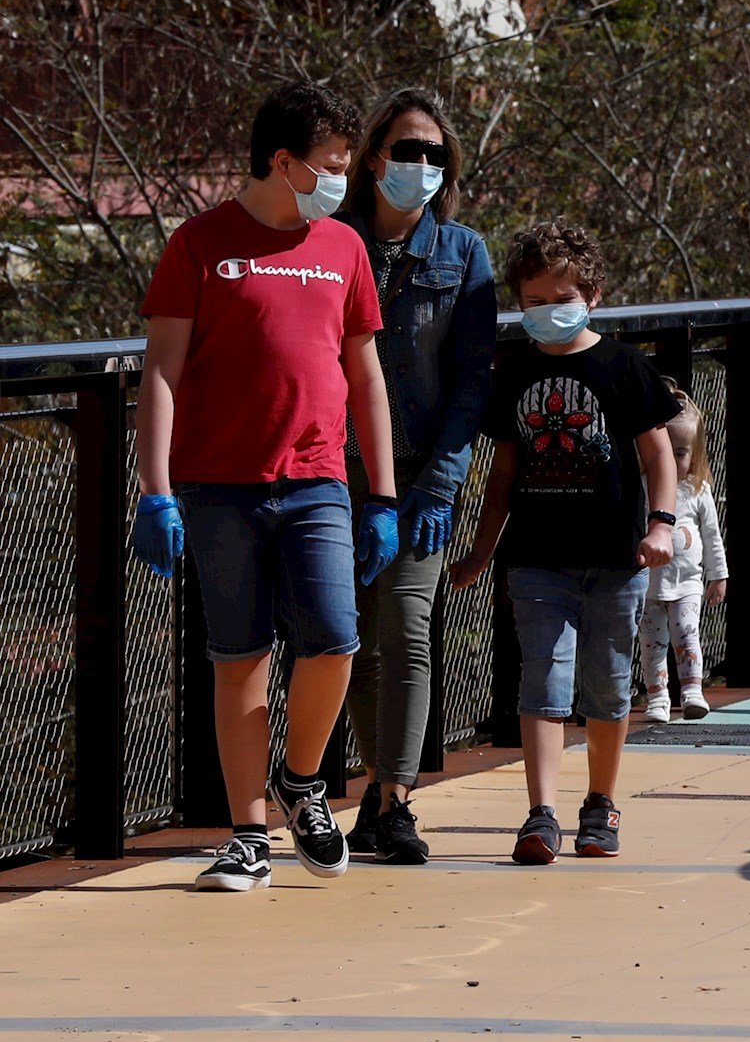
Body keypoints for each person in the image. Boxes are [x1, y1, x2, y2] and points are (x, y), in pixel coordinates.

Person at [133, 81, 400, 893]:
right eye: (327, 165)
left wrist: (382, 495)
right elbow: (162, 369)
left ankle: (302, 779)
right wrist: (156, 489)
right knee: (238, 654)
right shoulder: (199, 243)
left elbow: (366, 373)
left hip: (316, 477)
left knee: (335, 636)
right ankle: (247, 830)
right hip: (218, 485)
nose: (340, 180)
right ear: (281, 162)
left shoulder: (344, 247)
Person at [448, 218, 678, 865]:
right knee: (542, 682)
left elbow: (658, 453)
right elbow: (503, 473)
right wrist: (481, 550)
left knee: (606, 687)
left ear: (592, 294)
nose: (550, 312)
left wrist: (661, 522)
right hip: (537, 558)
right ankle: (540, 811)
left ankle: (600, 804)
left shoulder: (623, 365)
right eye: (535, 302)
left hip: (614, 556)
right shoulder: (514, 369)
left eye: (562, 298)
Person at [339, 88, 497, 865]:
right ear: (374, 157)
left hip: (422, 474)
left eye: (436, 154)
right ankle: (373, 788)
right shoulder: (327, 243)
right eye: (408, 149)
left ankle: (396, 800)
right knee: (351, 641)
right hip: (336, 475)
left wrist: (441, 485)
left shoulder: (464, 253)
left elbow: (474, 379)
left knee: (405, 627)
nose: (422, 165)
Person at [639, 385, 729, 724]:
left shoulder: (697, 490)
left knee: (687, 633)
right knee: (653, 644)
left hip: (687, 582)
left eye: (681, 452)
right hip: (649, 585)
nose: (675, 461)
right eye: (667, 451)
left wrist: (718, 575)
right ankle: (658, 696)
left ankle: (692, 690)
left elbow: (711, 535)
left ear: (694, 453)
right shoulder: (644, 486)